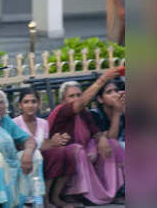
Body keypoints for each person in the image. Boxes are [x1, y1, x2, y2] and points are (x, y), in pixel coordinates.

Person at [48, 67, 125, 205]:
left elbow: (96, 132)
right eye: (71, 96)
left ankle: (111, 192)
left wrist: (101, 139)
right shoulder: (61, 111)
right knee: (77, 150)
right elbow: (81, 103)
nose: (76, 99)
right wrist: (102, 80)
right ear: (62, 100)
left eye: (79, 95)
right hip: (66, 158)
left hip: (86, 156)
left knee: (112, 144)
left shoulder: (85, 113)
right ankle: (79, 194)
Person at [0, 89, 45, 208]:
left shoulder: (6, 121)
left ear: (5, 106)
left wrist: (28, 152)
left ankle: (35, 201)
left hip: (12, 163)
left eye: (1, 102)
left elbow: (29, 140)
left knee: (35, 155)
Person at [12, 88, 73, 208]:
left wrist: (58, 140)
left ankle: (55, 197)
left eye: (33, 101)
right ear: (20, 105)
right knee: (48, 156)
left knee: (65, 153)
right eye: (26, 102)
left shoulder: (43, 123)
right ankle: (43, 200)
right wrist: (49, 145)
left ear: (39, 104)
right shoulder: (15, 123)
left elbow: (45, 144)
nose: (30, 105)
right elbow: (17, 148)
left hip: (43, 158)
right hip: (24, 161)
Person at [90, 80, 126, 148]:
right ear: (100, 99)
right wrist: (116, 112)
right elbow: (112, 140)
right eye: (109, 92)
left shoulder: (122, 110)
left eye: (116, 90)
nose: (115, 95)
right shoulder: (94, 114)